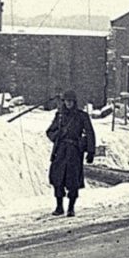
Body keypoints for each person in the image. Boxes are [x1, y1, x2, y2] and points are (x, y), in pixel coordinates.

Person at [46, 89, 96, 217]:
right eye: (66, 101)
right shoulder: (60, 116)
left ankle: (71, 207)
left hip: (74, 152)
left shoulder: (81, 116)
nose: (68, 104)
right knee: (58, 179)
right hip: (61, 151)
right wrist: (58, 134)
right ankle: (59, 206)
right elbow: (50, 131)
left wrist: (90, 151)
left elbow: (90, 133)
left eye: (71, 101)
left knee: (73, 180)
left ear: (75, 102)